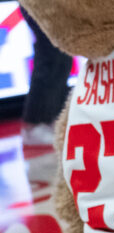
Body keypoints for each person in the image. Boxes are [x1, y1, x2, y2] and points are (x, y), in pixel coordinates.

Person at [19, 8, 73, 146]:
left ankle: (54, 118)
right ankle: (34, 125)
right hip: (40, 4)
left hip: (54, 7)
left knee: (62, 58)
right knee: (49, 57)